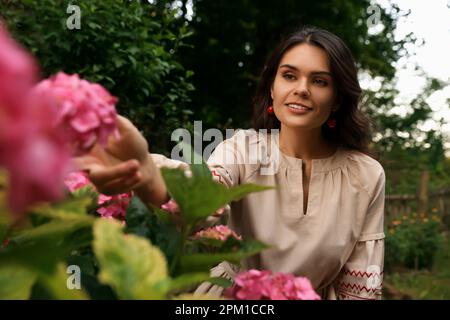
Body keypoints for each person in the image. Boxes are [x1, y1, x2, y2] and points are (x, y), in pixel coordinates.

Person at [75, 26, 385, 300]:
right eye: (289, 75)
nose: (301, 89)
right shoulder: (241, 149)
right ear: (272, 88)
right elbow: (207, 192)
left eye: (319, 81)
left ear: (338, 98)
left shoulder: (367, 176)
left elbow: (359, 288)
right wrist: (146, 171)